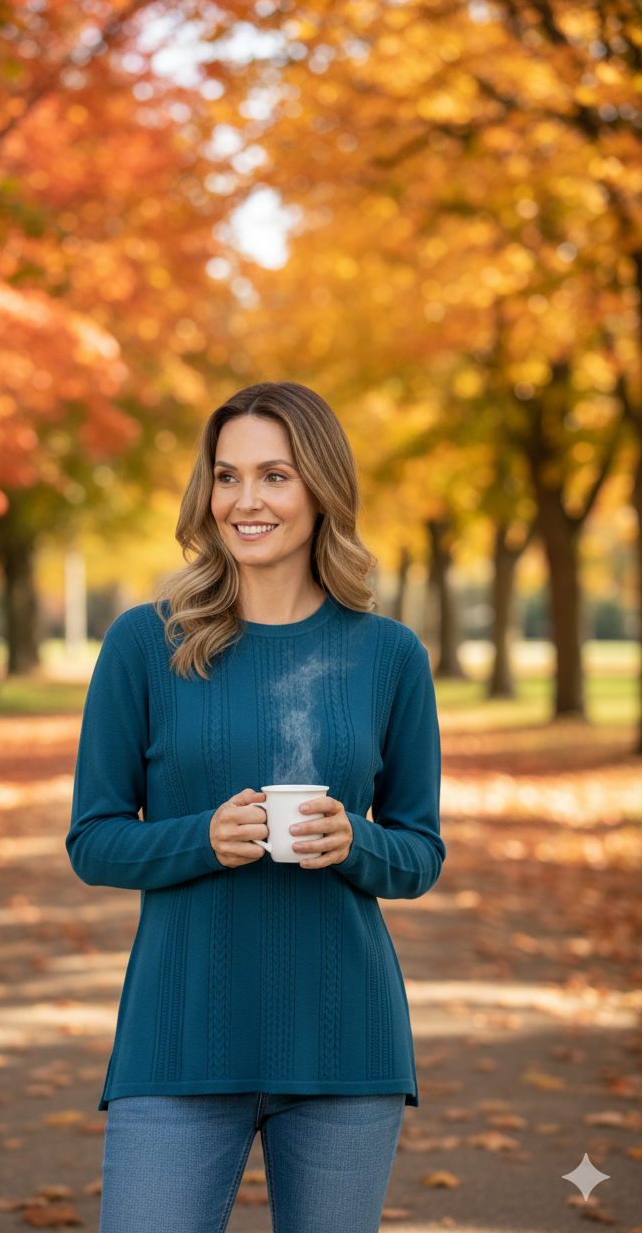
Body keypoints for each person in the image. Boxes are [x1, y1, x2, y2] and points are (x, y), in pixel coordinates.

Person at [67, 381, 445, 1233]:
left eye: (275, 476)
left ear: (321, 489)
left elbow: (421, 852)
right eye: (226, 476)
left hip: (345, 1043)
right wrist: (201, 838)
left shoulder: (389, 655)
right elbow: (93, 840)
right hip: (177, 1040)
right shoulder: (145, 643)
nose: (246, 501)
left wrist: (355, 843)